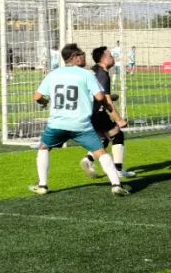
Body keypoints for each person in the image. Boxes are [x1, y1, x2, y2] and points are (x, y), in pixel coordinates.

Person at [29, 44, 128, 196]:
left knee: (44, 148)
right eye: (81, 54)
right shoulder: (87, 74)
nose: (84, 56)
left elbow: (37, 97)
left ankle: (42, 185)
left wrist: (44, 101)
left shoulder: (53, 74)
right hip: (80, 124)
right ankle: (116, 184)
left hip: (57, 124)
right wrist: (105, 101)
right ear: (75, 58)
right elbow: (100, 97)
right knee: (101, 152)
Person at [79, 46, 135, 179]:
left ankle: (88, 159)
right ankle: (118, 170)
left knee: (104, 138)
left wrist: (110, 97)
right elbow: (106, 100)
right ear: (103, 59)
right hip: (97, 112)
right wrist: (119, 119)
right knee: (118, 135)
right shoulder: (103, 74)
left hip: (87, 112)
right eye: (110, 55)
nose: (113, 57)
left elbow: (96, 93)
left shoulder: (93, 70)